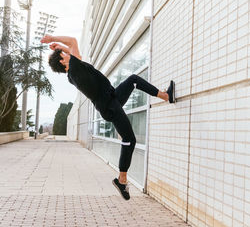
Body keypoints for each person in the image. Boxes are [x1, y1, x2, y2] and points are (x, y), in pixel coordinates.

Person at [41, 35, 175, 200]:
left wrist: (58, 48)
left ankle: (166, 96)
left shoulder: (74, 71)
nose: (69, 53)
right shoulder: (75, 69)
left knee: (133, 80)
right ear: (63, 61)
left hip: (112, 98)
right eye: (65, 54)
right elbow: (74, 41)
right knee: (129, 139)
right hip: (109, 105)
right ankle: (122, 180)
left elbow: (72, 49)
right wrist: (53, 39)